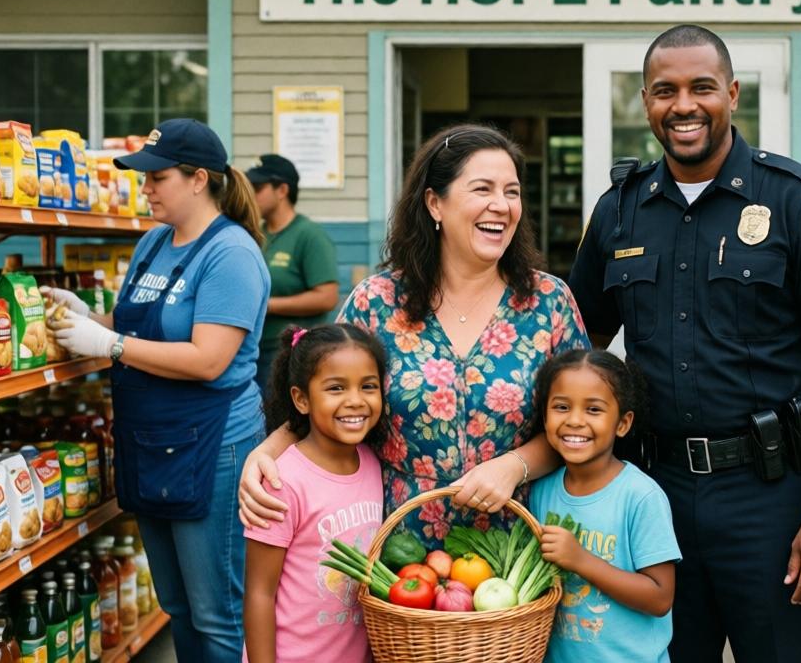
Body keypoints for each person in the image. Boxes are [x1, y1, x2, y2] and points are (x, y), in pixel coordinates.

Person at [568, 25, 801, 662]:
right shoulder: (619, 211)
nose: (683, 105)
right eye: (665, 91)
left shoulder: (798, 201)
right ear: (646, 102)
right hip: (653, 494)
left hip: (772, 498)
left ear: (732, 93)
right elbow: (584, 349)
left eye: (701, 87)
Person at [238, 123, 591, 546]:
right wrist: (265, 453)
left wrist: (516, 465)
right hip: (397, 551)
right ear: (434, 204)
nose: (501, 205)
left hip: (518, 552)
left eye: (511, 192)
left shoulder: (548, 302)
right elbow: (324, 395)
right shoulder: (378, 301)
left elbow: (586, 422)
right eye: (482, 189)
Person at [45, 118, 270, 662]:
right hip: (152, 440)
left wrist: (109, 344)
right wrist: (90, 318)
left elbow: (207, 359)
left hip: (213, 447)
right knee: (176, 605)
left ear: (198, 179)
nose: (144, 189)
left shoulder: (230, 254)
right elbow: (144, 329)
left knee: (217, 614)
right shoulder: (153, 243)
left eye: (156, 178)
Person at [244, 324, 386, 663]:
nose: (355, 401)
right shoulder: (283, 483)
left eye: (368, 386)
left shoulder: (372, 463)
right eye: (336, 388)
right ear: (302, 399)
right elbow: (259, 594)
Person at [529, 350, 681, 663]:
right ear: (545, 417)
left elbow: (660, 597)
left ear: (623, 423)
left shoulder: (640, 496)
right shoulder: (541, 492)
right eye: (561, 407)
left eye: (594, 409)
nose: (574, 420)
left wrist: (581, 559)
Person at [248, 154, 339, 389]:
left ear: (282, 190)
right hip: (252, 348)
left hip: (289, 353)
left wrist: (268, 305)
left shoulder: (309, 235)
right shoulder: (257, 235)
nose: (251, 194)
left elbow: (327, 297)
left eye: (257, 188)